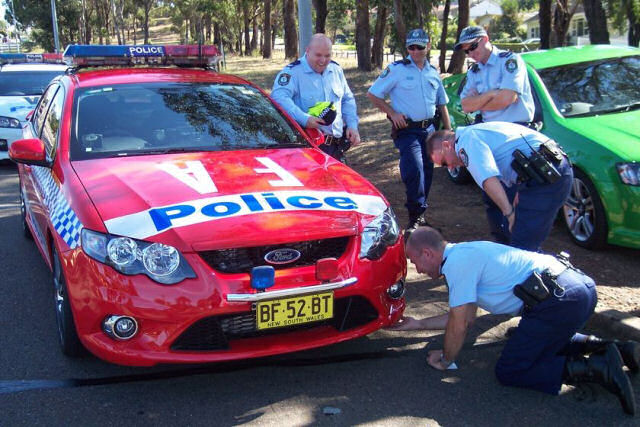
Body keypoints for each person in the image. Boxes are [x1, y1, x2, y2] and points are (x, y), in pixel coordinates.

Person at [389, 227, 638, 415]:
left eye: (414, 262)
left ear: (427, 253)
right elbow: (466, 317)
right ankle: (614, 347)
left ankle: (599, 369)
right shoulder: (465, 253)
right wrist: (417, 324)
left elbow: (460, 325)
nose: (417, 270)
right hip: (577, 290)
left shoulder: (457, 265)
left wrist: (445, 360)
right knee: (531, 340)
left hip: (560, 302)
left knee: (512, 369)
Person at [426, 121, 572, 251]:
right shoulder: (474, 133)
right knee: (514, 238)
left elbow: (488, 180)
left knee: (522, 248)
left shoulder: (466, 141)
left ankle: (557, 278)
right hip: (546, 171)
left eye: (445, 162)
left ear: (446, 146)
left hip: (546, 175)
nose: (450, 168)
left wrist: (509, 214)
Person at [455, 26, 537, 244]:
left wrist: (481, 100)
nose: (471, 53)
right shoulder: (474, 72)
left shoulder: (509, 61)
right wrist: (492, 94)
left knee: (518, 197)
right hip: (489, 137)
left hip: (516, 134)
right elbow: (465, 105)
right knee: (492, 196)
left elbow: (507, 99)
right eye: (466, 51)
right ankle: (501, 245)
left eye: (473, 47)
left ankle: (521, 248)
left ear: (485, 40)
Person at [367, 29, 451, 234]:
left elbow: (442, 104)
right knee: (414, 169)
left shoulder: (433, 72)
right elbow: (373, 94)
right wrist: (392, 113)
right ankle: (414, 217)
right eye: (411, 47)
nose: (415, 51)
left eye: (419, 47)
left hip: (430, 129)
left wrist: (448, 131)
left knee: (428, 172)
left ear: (428, 46)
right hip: (407, 130)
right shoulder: (397, 70)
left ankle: (420, 215)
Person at [271, 33, 360, 162]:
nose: (323, 60)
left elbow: (347, 99)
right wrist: (304, 119)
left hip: (336, 147)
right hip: (308, 148)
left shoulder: (336, 70)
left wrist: (352, 125)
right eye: (318, 55)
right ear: (307, 51)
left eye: (327, 55)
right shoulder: (292, 72)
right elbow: (278, 97)